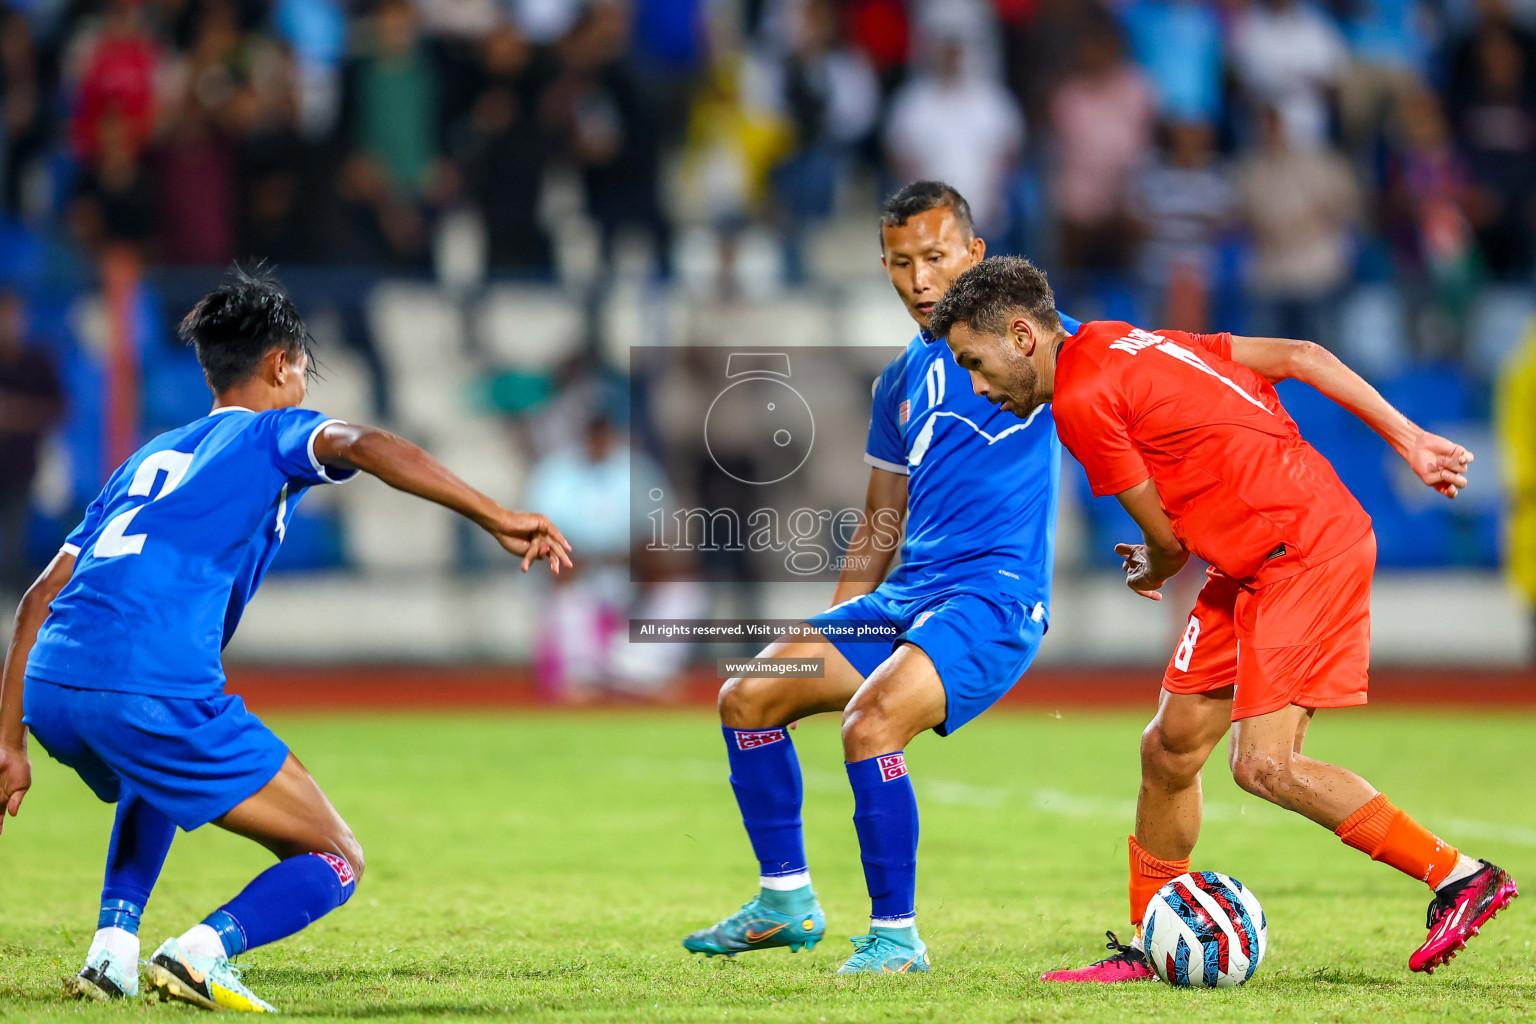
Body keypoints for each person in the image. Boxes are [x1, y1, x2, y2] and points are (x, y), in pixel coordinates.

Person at [929, 255, 1519, 982]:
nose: (978, 387)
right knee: (1170, 748)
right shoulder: (1123, 339)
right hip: (1252, 560)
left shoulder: (1080, 398)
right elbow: (1301, 356)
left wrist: (1151, 564)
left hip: (1301, 551)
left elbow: (1169, 546)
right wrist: (1410, 437)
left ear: (1022, 336)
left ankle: (1462, 878)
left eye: (974, 363)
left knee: (1265, 766)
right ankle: (1152, 943)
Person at [0, 269, 572, 1011]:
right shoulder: (274, 432)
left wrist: (10, 742)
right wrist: (494, 513)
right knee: (337, 856)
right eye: (303, 367)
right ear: (279, 365)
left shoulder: (148, 457)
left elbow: (38, 597)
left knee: (154, 772)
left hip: (51, 686)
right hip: (147, 684)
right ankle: (201, 952)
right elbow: (363, 441)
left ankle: (112, 952)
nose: (305, 384)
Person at [681, 182, 1080, 974]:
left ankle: (897, 939)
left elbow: (1141, 405)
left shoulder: (1043, 343)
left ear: (975, 256)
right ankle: (786, 901)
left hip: (993, 600)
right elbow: (879, 523)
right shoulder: (898, 380)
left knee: (869, 727)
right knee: (749, 697)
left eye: (935, 258)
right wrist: (836, 630)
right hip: (905, 597)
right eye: (901, 262)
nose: (919, 279)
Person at [0, 291, 64, 593]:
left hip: (22, 463)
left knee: (15, 538)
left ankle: (12, 600)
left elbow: (59, 408)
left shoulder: (37, 361)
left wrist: (15, 413)